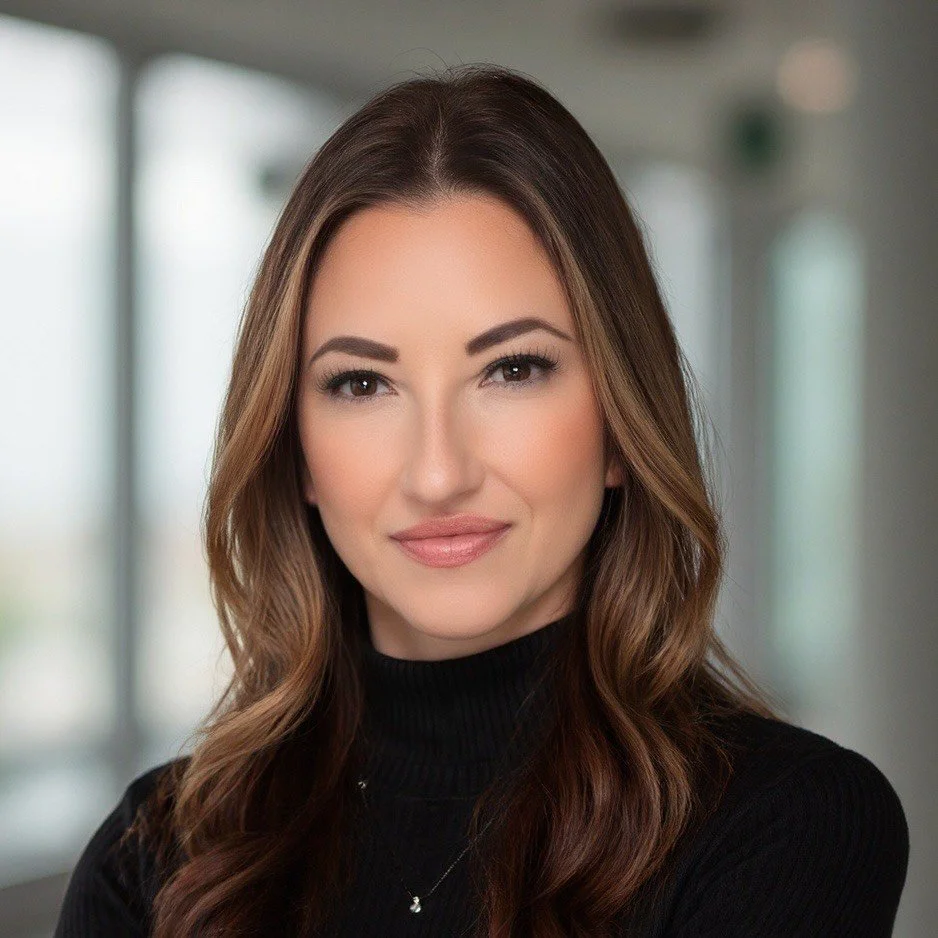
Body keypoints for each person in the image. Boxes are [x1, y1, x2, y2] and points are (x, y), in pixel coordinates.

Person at [53, 63, 909, 937]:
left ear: (619, 422)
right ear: (297, 451)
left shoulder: (786, 828)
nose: (438, 472)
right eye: (361, 384)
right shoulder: (155, 859)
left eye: (512, 369)